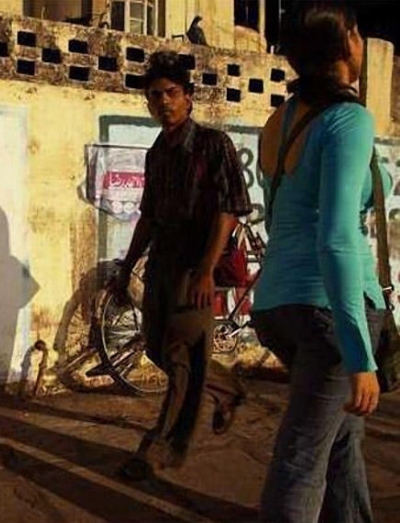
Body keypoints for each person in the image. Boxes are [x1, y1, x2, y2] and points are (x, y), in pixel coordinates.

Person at [251, 3, 392, 522]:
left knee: (339, 439)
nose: (361, 40)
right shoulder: (349, 119)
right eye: (357, 31)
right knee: (303, 455)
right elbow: (334, 238)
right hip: (329, 309)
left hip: (276, 306)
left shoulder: (279, 119)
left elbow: (282, 212)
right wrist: (359, 355)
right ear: (343, 46)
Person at [115, 50, 251, 480]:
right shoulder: (157, 152)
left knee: (181, 357)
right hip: (162, 264)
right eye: (154, 96)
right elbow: (149, 216)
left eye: (171, 93)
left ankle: (158, 451)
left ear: (189, 96)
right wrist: (128, 265)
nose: (163, 103)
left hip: (197, 266)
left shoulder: (214, 145)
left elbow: (229, 210)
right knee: (157, 347)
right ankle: (227, 389)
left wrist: (207, 270)